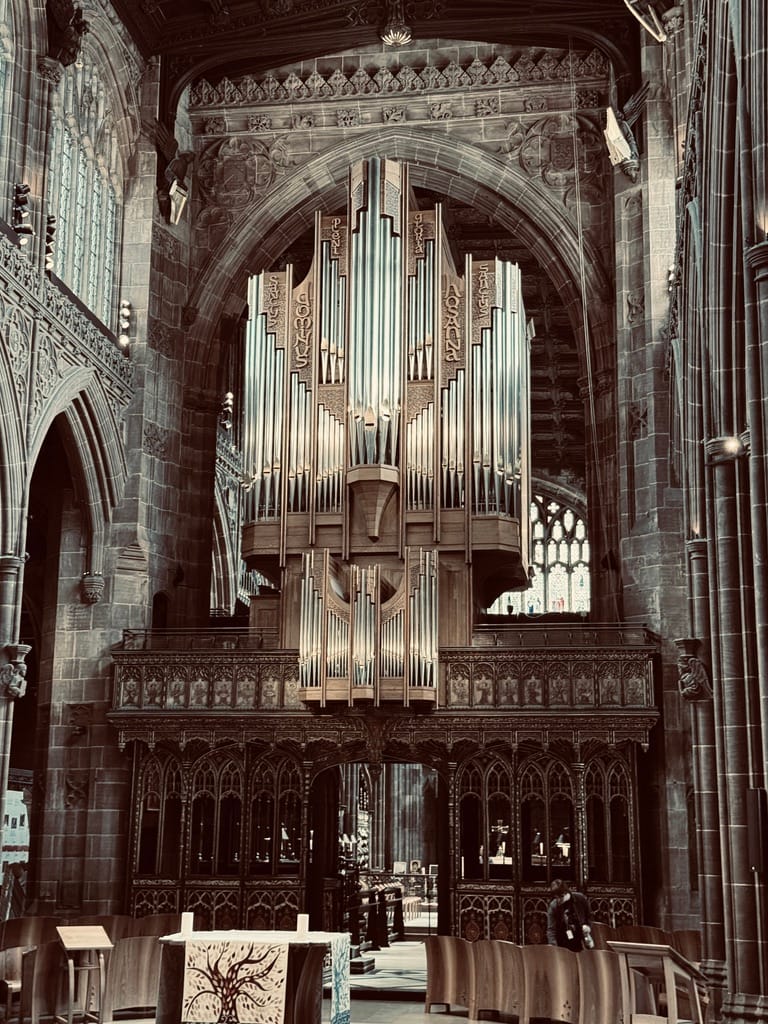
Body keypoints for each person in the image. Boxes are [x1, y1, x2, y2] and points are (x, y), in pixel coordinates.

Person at [546, 878, 593, 950]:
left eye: (561, 897)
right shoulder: (553, 906)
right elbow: (551, 930)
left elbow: (590, 916)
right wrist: (554, 949)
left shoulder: (580, 898)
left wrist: (588, 927)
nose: (558, 900)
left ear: (566, 892)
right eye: (556, 898)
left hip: (581, 941)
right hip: (562, 943)